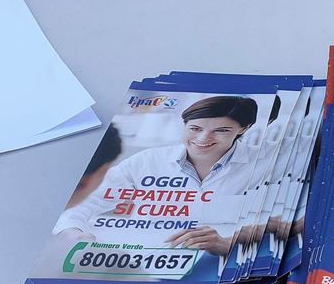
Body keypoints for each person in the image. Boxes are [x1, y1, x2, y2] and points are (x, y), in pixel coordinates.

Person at [54, 95, 259, 255]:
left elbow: (274, 223)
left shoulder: (262, 163)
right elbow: (84, 202)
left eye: (221, 130)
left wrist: (230, 242)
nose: (203, 138)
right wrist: (73, 233)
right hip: (146, 257)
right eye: (195, 128)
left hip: (223, 257)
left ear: (244, 128)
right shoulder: (146, 161)